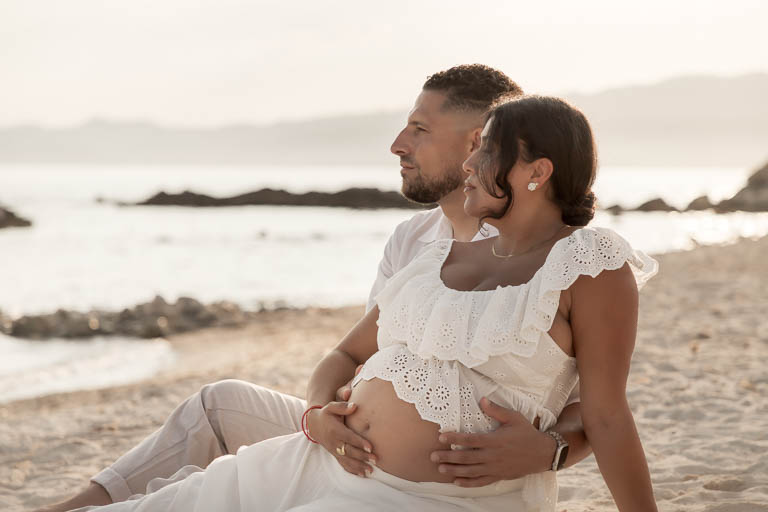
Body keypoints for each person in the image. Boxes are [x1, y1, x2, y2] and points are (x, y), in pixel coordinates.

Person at [65, 94, 659, 512]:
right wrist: (318, 417)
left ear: (537, 172)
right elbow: (346, 354)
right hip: (315, 461)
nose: (470, 166)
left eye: (485, 151)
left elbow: (606, 413)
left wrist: (554, 451)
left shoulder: (590, 265)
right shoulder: (430, 258)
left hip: (430, 497)